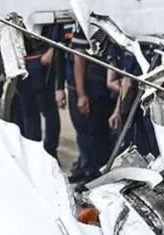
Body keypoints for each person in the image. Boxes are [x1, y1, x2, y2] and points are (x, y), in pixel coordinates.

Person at [55, 24, 114, 183]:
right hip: (79, 87)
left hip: (92, 89)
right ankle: (87, 168)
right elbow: (64, 56)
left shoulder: (88, 24)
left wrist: (82, 94)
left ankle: (95, 175)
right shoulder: (73, 24)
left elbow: (79, 59)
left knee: (94, 134)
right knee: (84, 132)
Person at [105, 45, 159, 160]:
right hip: (141, 103)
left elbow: (126, 83)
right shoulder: (134, 46)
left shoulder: (136, 45)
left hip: (146, 105)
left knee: (145, 148)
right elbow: (125, 83)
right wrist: (117, 110)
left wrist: (119, 110)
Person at [15, 25, 61, 158]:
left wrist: (53, 47)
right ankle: (33, 151)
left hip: (40, 59)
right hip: (22, 61)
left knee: (48, 110)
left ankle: (50, 151)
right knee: (29, 112)